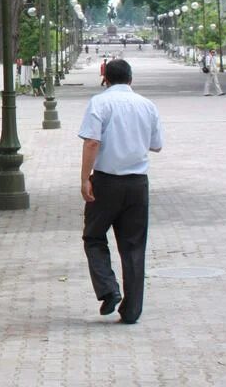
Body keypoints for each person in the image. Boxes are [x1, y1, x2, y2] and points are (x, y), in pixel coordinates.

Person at [79, 59, 162, 324]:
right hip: (138, 183)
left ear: (105, 78)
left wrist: (84, 179)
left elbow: (92, 141)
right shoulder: (147, 105)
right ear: (131, 78)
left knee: (93, 236)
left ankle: (108, 289)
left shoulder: (100, 103)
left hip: (106, 182)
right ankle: (132, 310)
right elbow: (156, 145)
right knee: (134, 247)